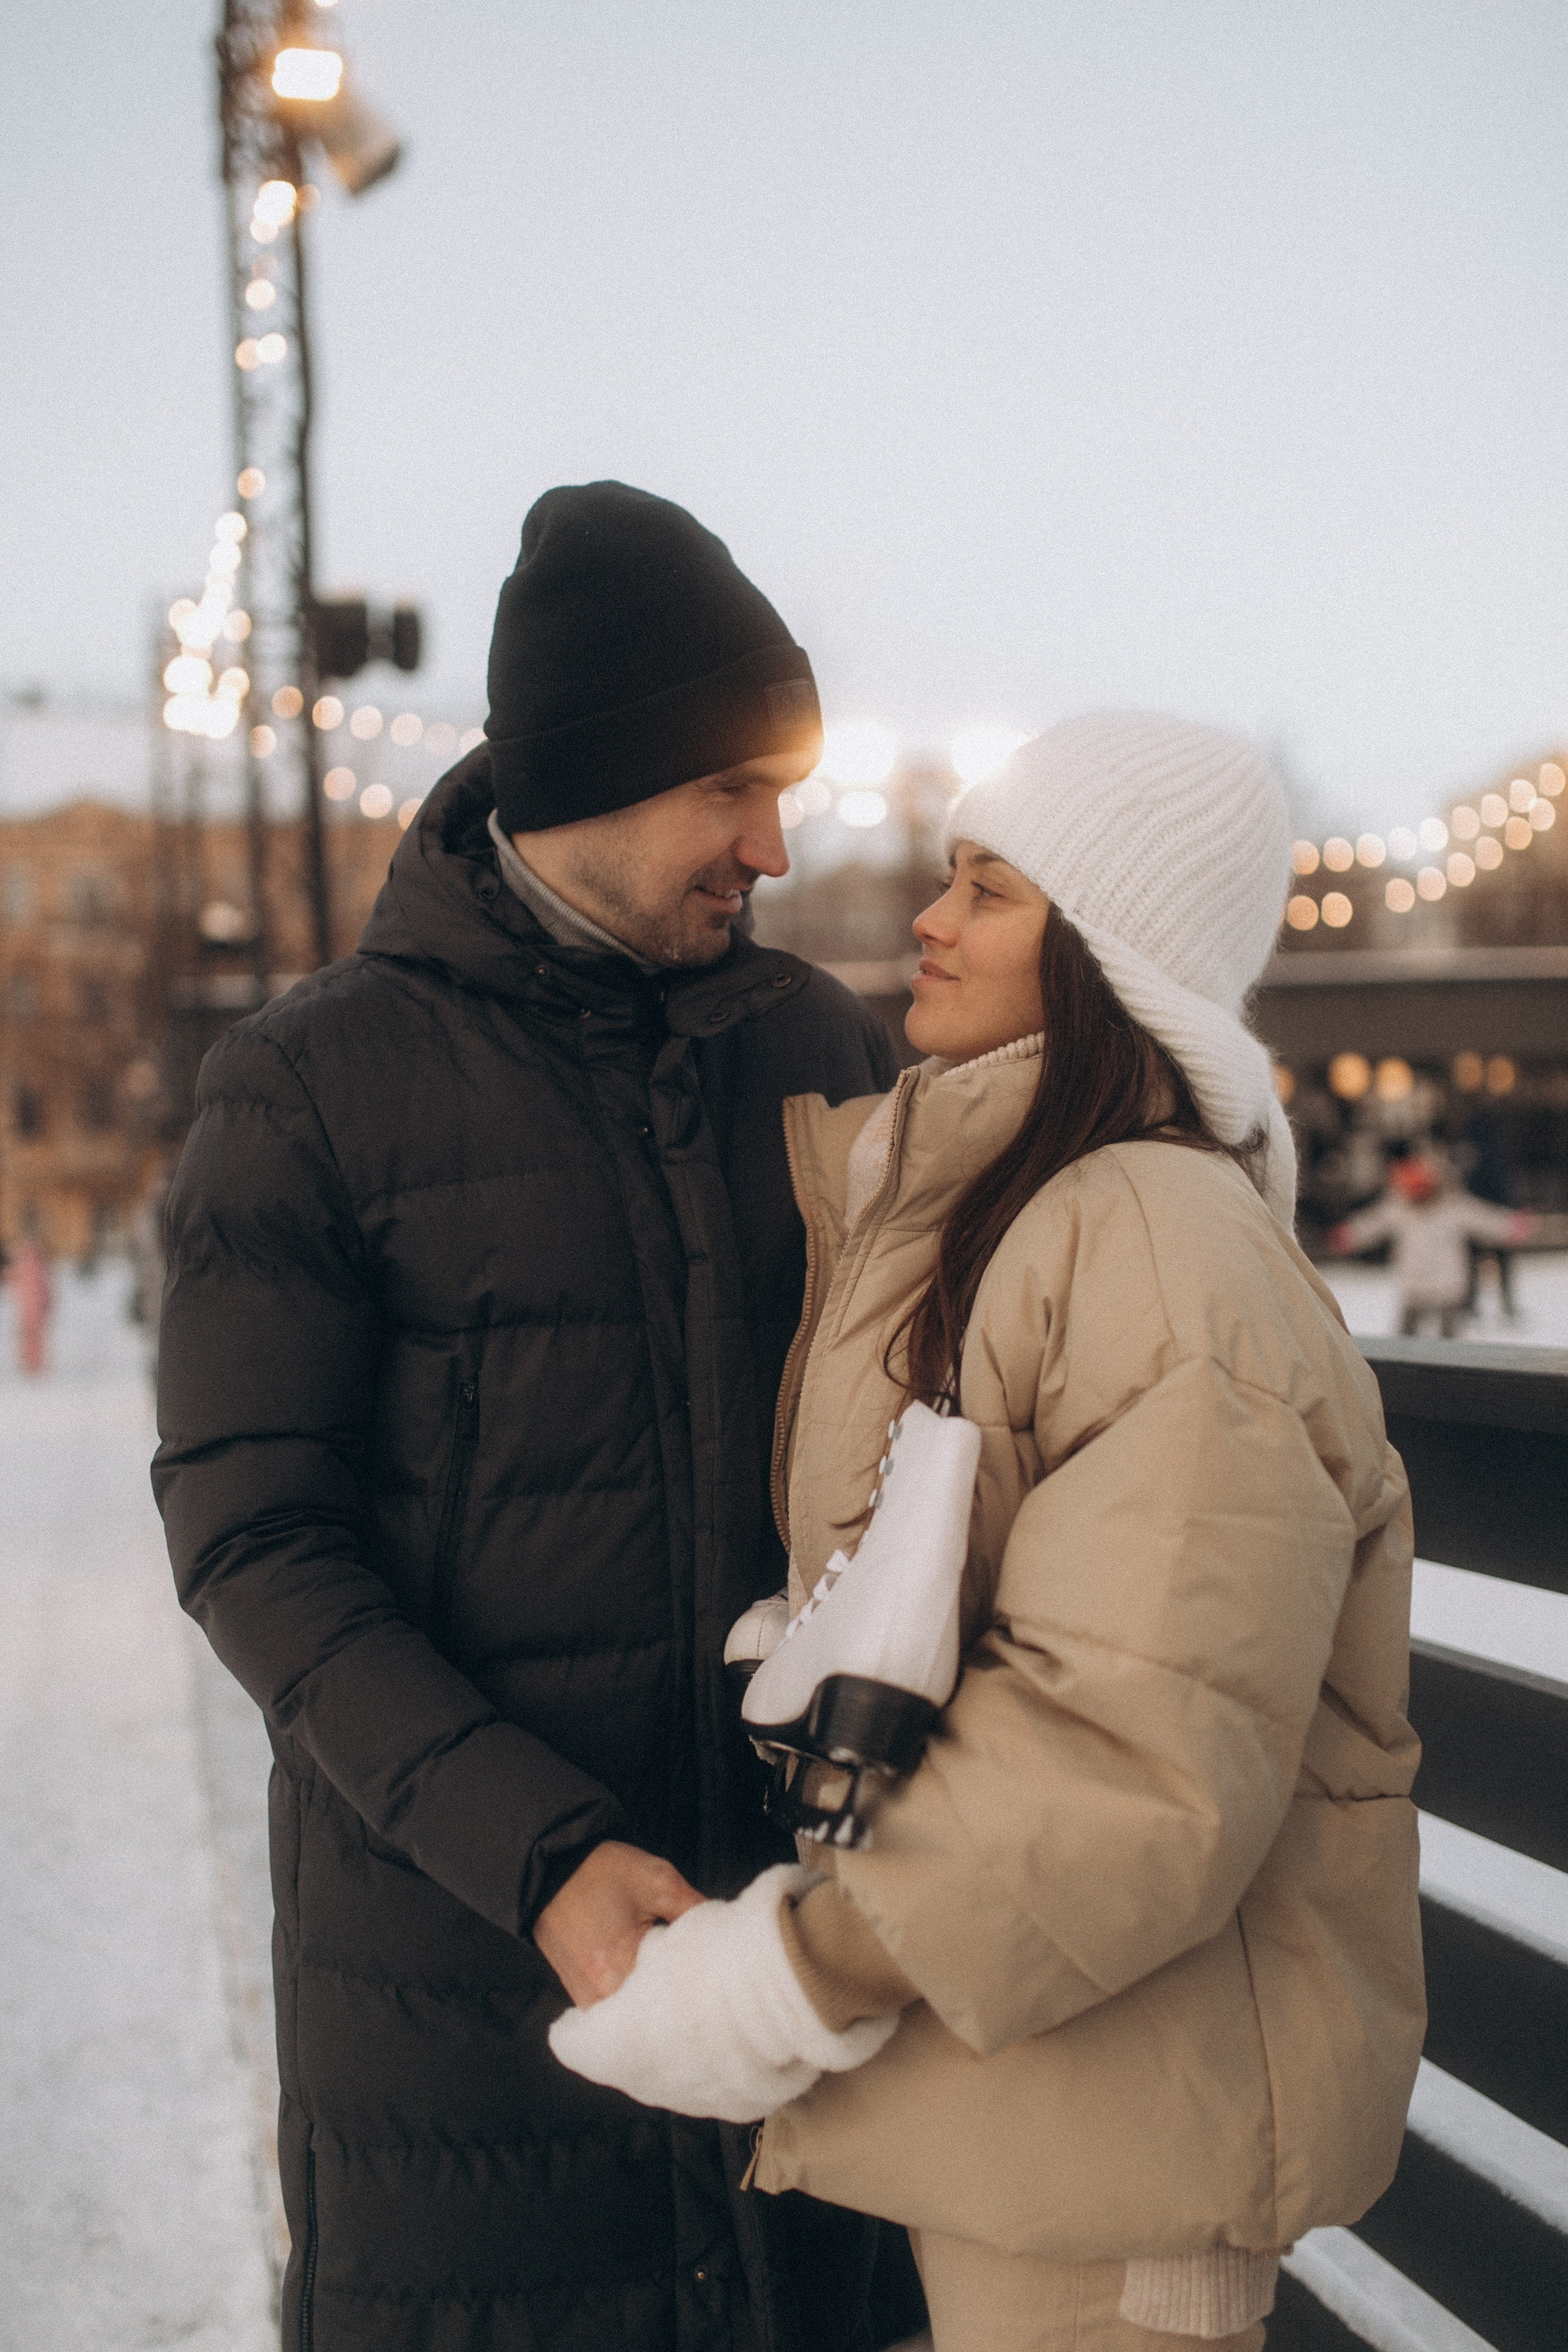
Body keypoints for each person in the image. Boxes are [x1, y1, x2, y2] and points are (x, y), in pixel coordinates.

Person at [549, 716, 1427, 2351]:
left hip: (1123, 2163)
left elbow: (1131, 1746)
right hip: (1053, 2106)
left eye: (989, 887)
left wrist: (794, 1973)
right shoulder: (1035, 1210)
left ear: (1107, 956)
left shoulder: (1156, 1241)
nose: (927, 922)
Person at [153, 482, 899, 2352]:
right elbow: (254, 1536)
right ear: (595, 769)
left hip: (802, 1971)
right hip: (459, 2008)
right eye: (734, 790)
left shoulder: (817, 1049)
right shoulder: (310, 1086)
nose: (776, 845)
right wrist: (534, 1852)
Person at [1331, 1151, 1534, 1339]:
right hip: (1415, 1286)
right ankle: (1403, 1369)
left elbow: (1484, 1219)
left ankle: (1446, 1371)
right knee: (1405, 1339)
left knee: (1447, 1342)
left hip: (1448, 1288)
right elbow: (1372, 1223)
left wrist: (1510, 1227)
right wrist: (1349, 1235)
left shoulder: (1453, 1206)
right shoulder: (1398, 1207)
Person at [10, 1232, 53, 1377]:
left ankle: (34, 1362)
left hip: (32, 1306)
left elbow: (46, 1286)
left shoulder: (35, 1268)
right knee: (31, 1335)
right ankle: (30, 1362)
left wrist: (48, 1301)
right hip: (30, 1306)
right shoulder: (32, 1267)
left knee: (32, 1335)